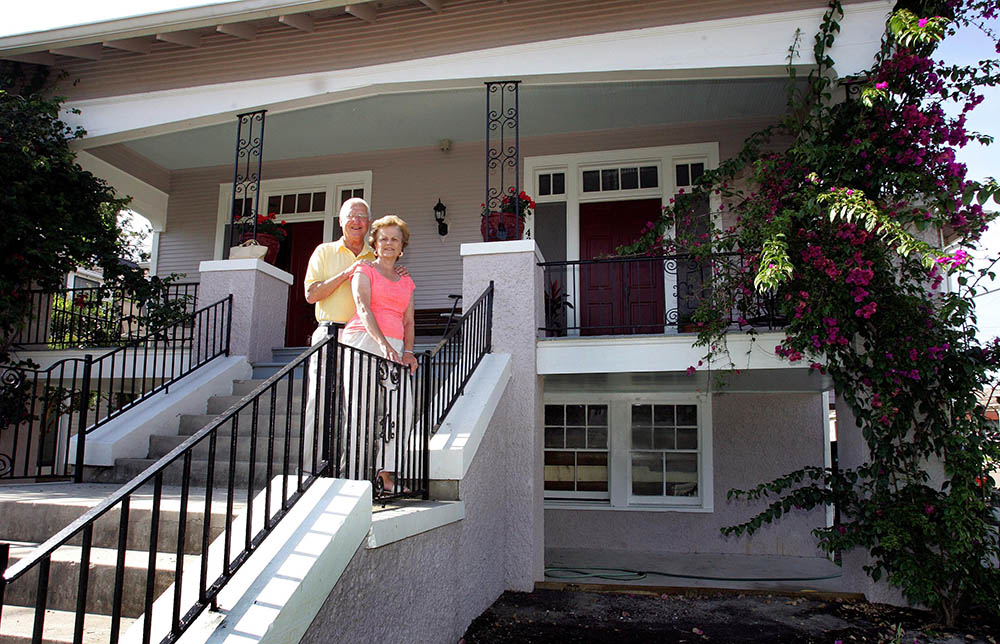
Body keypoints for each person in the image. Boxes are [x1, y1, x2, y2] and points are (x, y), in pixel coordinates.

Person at [302, 198, 404, 477]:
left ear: (369, 222)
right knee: (319, 401)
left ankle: (352, 472)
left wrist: (397, 271)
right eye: (351, 216)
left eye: (362, 216)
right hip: (330, 332)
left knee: (357, 408)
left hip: (362, 338)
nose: (357, 221)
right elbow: (311, 295)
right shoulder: (325, 252)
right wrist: (346, 274)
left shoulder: (376, 256)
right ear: (340, 220)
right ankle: (311, 471)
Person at [341, 215, 417, 494]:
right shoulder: (364, 268)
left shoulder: (406, 281)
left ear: (401, 247)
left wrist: (407, 351)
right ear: (374, 243)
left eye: (394, 239)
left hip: (395, 347)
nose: (388, 243)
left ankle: (386, 475)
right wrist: (383, 344)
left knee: (401, 410)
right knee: (361, 409)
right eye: (383, 238)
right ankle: (354, 477)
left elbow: (409, 321)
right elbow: (363, 307)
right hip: (363, 340)